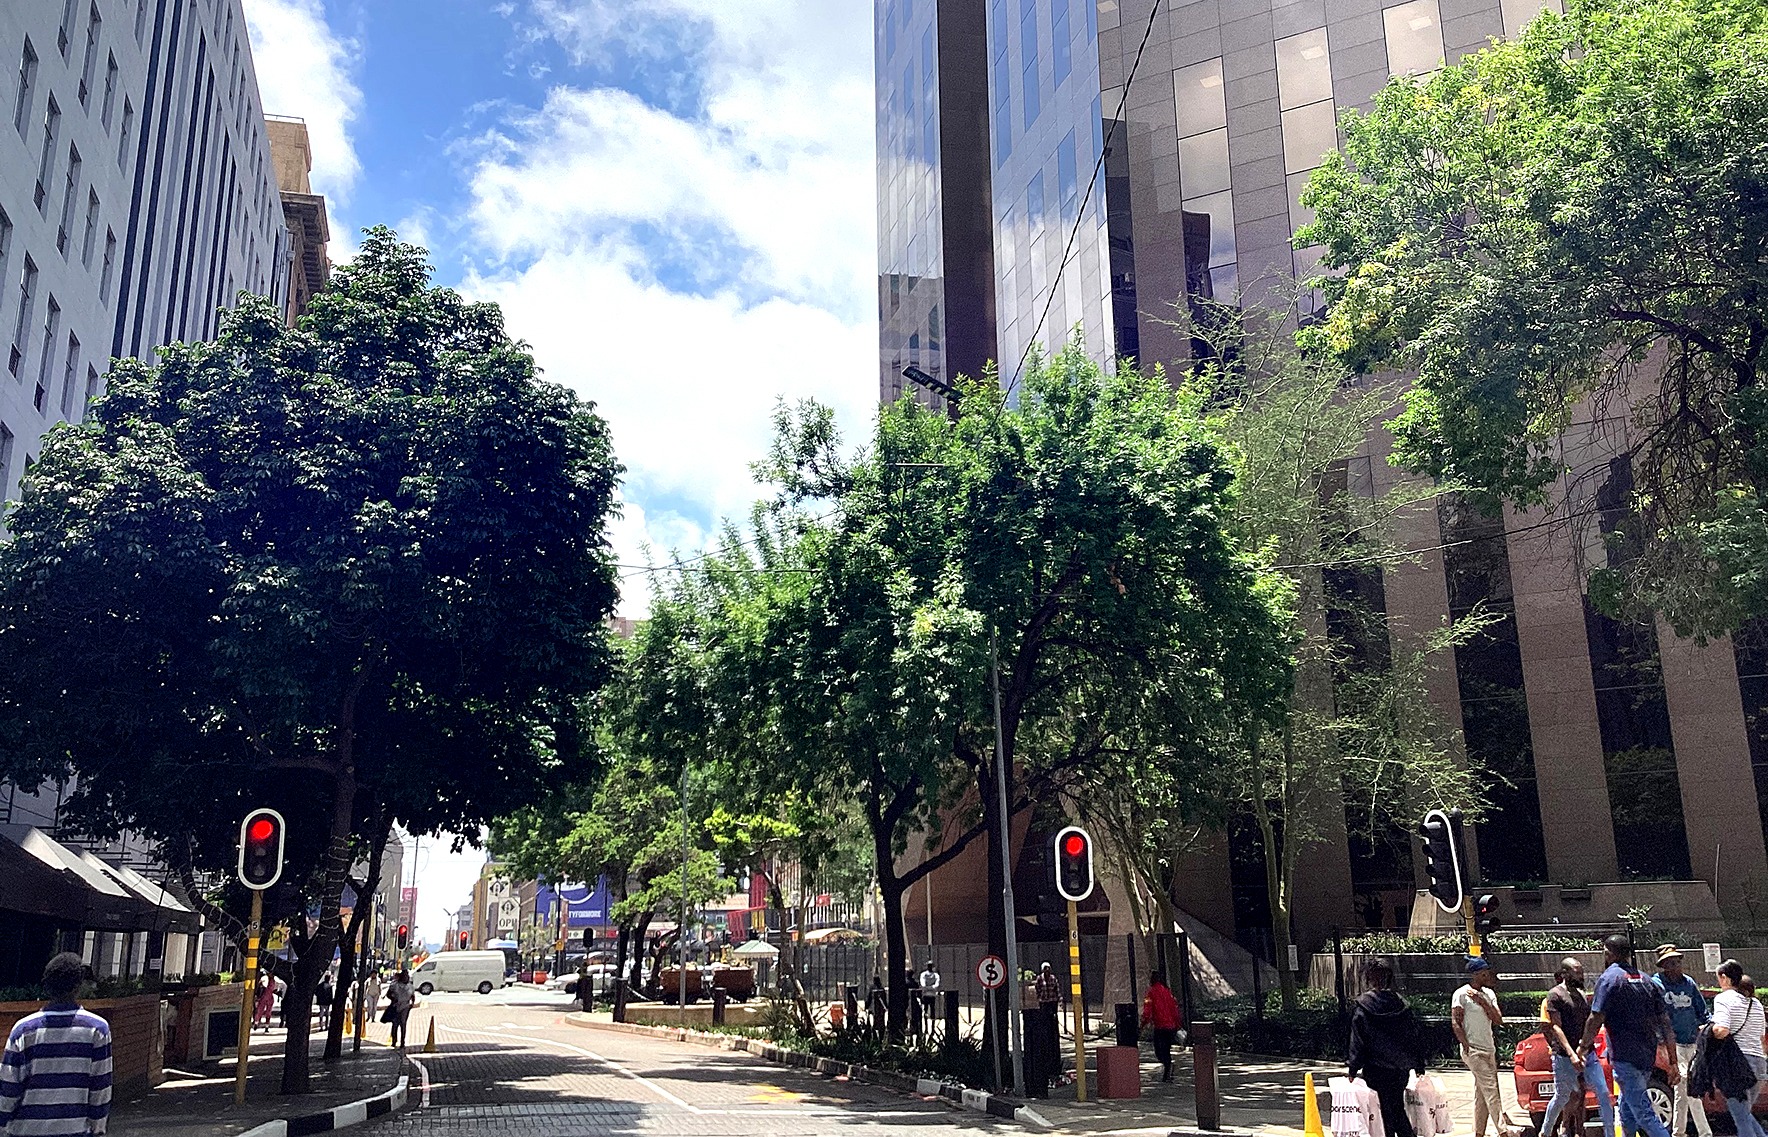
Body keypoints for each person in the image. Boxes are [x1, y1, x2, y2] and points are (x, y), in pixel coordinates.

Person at [0, 952, 112, 1136]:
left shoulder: (24, 1029)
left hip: (26, 1130)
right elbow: (100, 1087)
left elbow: (8, 1087)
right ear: (77, 986)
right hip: (75, 1130)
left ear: (47, 986)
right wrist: (98, 1127)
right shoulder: (98, 1029)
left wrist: (3, 1125)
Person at [1582, 933, 1678, 1137]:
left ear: (1608, 954)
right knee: (1627, 1111)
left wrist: (1583, 1047)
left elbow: (1595, 1018)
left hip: (1625, 1057)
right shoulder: (1646, 981)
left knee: (1644, 1113)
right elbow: (1666, 1024)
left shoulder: (1609, 979)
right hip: (1646, 1057)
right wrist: (1673, 1061)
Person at [1539, 957, 1616, 1137]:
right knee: (1562, 1097)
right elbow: (1555, 1027)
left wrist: (1585, 1047)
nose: (1581, 975)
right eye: (1577, 971)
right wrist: (1572, 1054)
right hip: (1565, 1057)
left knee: (1603, 1094)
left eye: (1581, 971)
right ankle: (1545, 1131)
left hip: (1588, 1055)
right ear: (1565, 973)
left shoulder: (1582, 995)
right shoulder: (1555, 995)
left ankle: (1610, 1133)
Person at [1347, 958, 1424, 1137]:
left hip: (1376, 1068)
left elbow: (1358, 1041)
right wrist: (1419, 1064)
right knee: (1397, 1106)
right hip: (1400, 1068)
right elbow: (1414, 1036)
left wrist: (1353, 1068)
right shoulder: (1401, 1004)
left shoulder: (1363, 1007)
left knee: (1383, 1110)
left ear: (1369, 978)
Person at [1653, 945, 1714, 1137]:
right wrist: (1661, 1041)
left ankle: (1678, 1132)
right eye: (1672, 963)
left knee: (1683, 1089)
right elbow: (1654, 1015)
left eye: (1678, 961)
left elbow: (1702, 1012)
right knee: (1687, 1085)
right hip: (1673, 1044)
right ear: (1664, 965)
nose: (1677, 965)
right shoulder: (1657, 984)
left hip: (1692, 1042)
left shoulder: (1689, 983)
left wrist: (1707, 1029)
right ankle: (1705, 1133)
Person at [1453, 956, 1517, 1137]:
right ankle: (1503, 1131)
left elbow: (1498, 1019)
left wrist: (1483, 1002)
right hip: (1473, 1050)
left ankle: (1478, 1132)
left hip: (1489, 1048)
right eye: (1483, 974)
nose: (1487, 976)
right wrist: (1466, 1046)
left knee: (1481, 1093)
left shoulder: (1489, 994)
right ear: (1475, 975)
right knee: (1491, 1090)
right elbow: (1456, 1022)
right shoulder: (1461, 994)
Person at [1709, 960, 1766, 1137]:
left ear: (1724, 978)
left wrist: (1709, 1031)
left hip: (1737, 1066)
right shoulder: (1755, 1004)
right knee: (1744, 1114)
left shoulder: (1723, 999)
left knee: (1741, 1118)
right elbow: (1761, 1033)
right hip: (1759, 1065)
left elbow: (1722, 1030)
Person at [1140, 970, 1183, 1083]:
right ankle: (1167, 1073)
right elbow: (1175, 1009)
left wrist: (1143, 1024)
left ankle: (1168, 1068)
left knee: (1159, 1051)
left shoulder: (1151, 993)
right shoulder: (1167, 992)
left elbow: (1148, 1010)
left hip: (1160, 1027)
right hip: (1171, 1026)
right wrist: (1177, 1024)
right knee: (1166, 1050)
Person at [386, 970, 415, 1049]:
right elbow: (388, 994)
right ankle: (394, 1041)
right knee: (395, 1024)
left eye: (407, 976)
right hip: (396, 1006)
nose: (407, 978)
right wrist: (393, 999)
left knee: (403, 1023)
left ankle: (402, 1042)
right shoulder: (395, 985)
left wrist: (412, 1004)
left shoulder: (410, 986)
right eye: (405, 976)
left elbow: (413, 996)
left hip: (405, 1006)